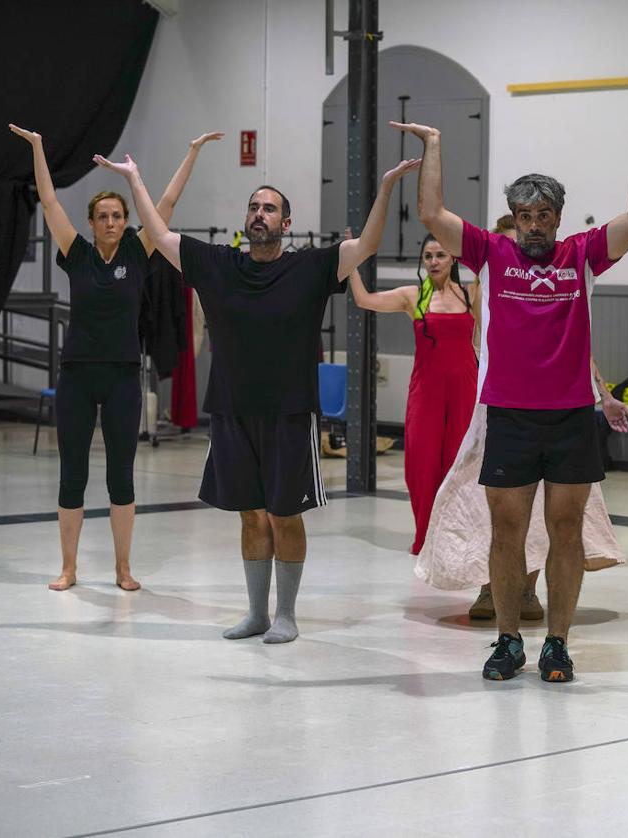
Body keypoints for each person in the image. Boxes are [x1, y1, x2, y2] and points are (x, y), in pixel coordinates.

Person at [395, 120, 628, 681]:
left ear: (557, 217)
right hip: (509, 416)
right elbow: (434, 214)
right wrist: (435, 145)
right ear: (514, 216)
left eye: (543, 216)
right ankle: (508, 640)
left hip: (571, 417)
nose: (533, 226)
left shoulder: (582, 255)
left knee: (565, 529)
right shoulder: (490, 253)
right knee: (506, 532)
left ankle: (557, 641)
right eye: (524, 216)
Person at [94, 149, 420, 643]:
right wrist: (136, 177)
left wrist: (389, 185)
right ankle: (256, 612)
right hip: (231, 410)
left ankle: (286, 613)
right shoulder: (216, 263)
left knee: (283, 513)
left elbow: (369, 243)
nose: (259, 214)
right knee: (250, 513)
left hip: (289, 411)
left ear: (286, 222)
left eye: (269, 209)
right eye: (253, 207)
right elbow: (158, 237)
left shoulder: (311, 268)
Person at [9, 124, 222, 592]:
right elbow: (48, 202)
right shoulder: (77, 253)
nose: (110, 222)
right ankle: (69, 568)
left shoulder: (136, 250)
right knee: (73, 474)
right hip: (78, 378)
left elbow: (164, 205)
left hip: (124, 377)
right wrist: (40, 148)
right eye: (102, 216)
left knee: (121, 475)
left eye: (117, 215)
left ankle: (123, 568)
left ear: (125, 220)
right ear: (90, 222)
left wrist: (191, 151)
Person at [414, 216, 628, 621]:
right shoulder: (483, 287)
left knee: (549, 514)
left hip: (556, 409)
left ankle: (530, 590)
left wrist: (604, 392)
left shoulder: (553, 279)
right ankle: (489, 589)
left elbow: (577, 348)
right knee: (488, 506)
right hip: (497, 406)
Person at [345, 231, 479, 555]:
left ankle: (455, 534)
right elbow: (364, 299)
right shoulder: (413, 296)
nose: (433, 262)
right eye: (428, 256)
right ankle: (426, 534)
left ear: (453, 259)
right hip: (427, 390)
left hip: (464, 387)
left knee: (459, 464)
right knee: (421, 463)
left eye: (440, 255)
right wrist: (350, 261)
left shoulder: (471, 292)